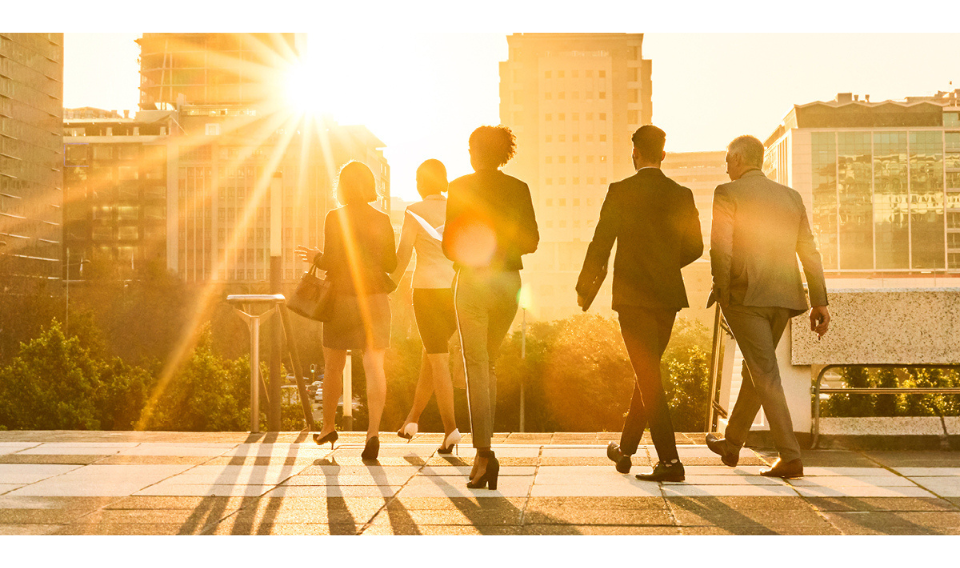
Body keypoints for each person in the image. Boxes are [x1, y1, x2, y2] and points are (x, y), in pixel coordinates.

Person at [577, 125, 703, 483]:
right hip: (667, 297)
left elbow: (600, 243)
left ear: (635, 153)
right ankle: (626, 449)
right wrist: (664, 265)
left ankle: (670, 462)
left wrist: (584, 287)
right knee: (647, 374)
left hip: (632, 297)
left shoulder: (621, 191)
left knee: (648, 376)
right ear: (663, 154)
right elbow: (695, 248)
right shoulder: (682, 194)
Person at [705, 135, 830, 479]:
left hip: (745, 297)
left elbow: (720, 247)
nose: (725, 166)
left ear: (741, 158)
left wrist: (723, 289)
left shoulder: (727, 193)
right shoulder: (791, 197)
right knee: (757, 370)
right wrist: (819, 300)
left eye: (728, 159)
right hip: (785, 298)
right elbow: (809, 252)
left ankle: (790, 456)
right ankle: (732, 444)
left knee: (764, 373)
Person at [443, 125, 538, 489]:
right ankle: (485, 450)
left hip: (472, 282)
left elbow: (449, 244)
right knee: (490, 363)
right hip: (507, 284)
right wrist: (503, 242)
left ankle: (484, 453)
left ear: (473, 152)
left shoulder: (461, 187)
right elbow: (532, 240)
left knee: (476, 366)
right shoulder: (519, 188)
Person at [295, 161, 397, 461]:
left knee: (333, 366)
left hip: (341, 298)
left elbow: (334, 261)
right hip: (376, 297)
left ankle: (328, 427)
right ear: (369, 184)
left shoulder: (335, 217)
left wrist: (317, 256)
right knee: (374, 365)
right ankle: (373, 433)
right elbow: (391, 264)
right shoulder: (382, 219)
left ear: (342, 186)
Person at [391, 159, 461, 454]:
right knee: (431, 358)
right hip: (457, 292)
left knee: (438, 360)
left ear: (420, 183)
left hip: (427, 292)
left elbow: (404, 253)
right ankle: (412, 420)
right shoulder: (457, 209)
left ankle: (450, 429)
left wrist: (389, 284)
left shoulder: (414, 212)